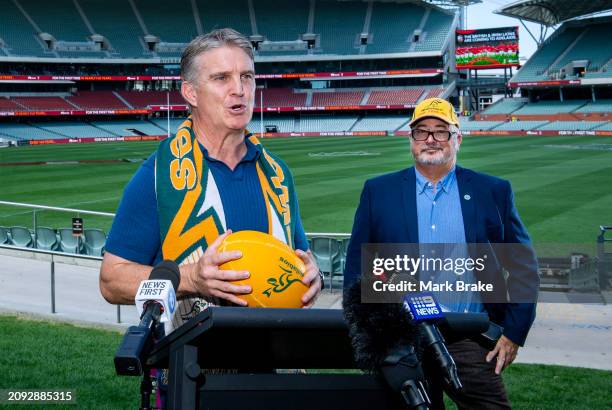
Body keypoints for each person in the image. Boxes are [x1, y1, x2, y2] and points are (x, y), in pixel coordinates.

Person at [100, 28, 322, 333]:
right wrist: (192, 278)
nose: (239, 89)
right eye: (221, 78)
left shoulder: (278, 175)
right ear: (190, 92)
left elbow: (299, 258)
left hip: (277, 364)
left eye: (247, 76)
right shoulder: (158, 174)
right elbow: (111, 280)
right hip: (191, 369)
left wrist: (313, 276)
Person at [344, 97, 539, 409]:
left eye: (441, 131)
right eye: (421, 131)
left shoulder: (493, 191)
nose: (431, 139)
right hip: (403, 338)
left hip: (470, 337)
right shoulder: (378, 192)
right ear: (411, 139)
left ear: (457, 138)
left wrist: (514, 333)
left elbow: (523, 267)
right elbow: (357, 271)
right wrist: (372, 337)